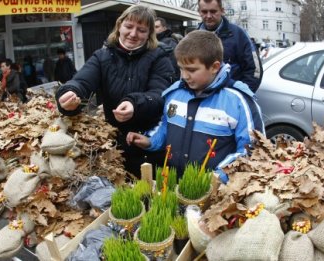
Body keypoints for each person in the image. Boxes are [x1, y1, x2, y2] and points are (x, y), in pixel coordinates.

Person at [126, 30, 263, 183]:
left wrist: (218, 177)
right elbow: (165, 127)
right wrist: (150, 141)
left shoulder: (238, 100)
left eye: (191, 70)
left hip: (217, 193)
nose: (184, 75)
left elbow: (252, 149)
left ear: (214, 67)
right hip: (173, 186)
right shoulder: (174, 94)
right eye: (181, 68)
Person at [56, 5, 174, 177]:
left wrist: (134, 104)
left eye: (141, 30)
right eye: (129, 26)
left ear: (149, 34)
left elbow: (161, 95)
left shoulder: (160, 57)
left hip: (151, 143)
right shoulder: (102, 56)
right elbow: (82, 81)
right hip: (114, 145)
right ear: (119, 26)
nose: (133, 34)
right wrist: (70, 92)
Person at [197, 0, 263, 93]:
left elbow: (255, 71)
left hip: (230, 98)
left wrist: (241, 94)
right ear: (199, 12)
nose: (208, 16)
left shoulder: (238, 34)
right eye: (204, 12)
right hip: (201, 99)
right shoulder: (193, 37)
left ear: (222, 11)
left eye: (213, 11)